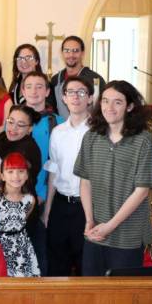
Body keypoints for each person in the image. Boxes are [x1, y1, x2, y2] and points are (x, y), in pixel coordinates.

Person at [74, 81, 152, 276]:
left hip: (127, 235)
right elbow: (85, 181)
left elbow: (142, 190)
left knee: (121, 299)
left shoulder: (143, 141)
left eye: (117, 102)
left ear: (129, 106)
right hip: (95, 231)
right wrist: (89, 220)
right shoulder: (92, 137)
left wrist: (110, 226)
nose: (109, 108)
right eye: (105, 101)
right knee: (92, 292)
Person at [43, 76, 93, 276]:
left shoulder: (98, 131)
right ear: (63, 98)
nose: (76, 97)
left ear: (90, 98)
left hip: (87, 207)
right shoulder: (57, 131)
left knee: (85, 264)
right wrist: (47, 210)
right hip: (61, 205)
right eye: (70, 92)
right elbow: (54, 172)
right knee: (56, 264)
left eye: (81, 92)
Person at [0, 105, 45, 272]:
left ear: (29, 129)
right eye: (10, 121)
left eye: (20, 125)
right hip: (3, 214)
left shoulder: (28, 148)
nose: (13, 128)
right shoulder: (4, 139)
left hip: (21, 216)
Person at [0, 152, 40, 277]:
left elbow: (23, 220)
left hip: (21, 250)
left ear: (26, 175)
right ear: (2, 176)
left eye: (20, 171)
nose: (16, 176)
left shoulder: (30, 200)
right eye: (10, 171)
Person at [22, 72, 64, 201]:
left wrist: (43, 193)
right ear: (23, 92)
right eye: (29, 86)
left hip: (47, 193)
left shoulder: (58, 123)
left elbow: (61, 163)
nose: (33, 91)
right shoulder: (13, 120)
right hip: (17, 191)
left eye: (39, 87)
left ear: (47, 92)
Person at [50, 36, 106, 119]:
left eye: (75, 51)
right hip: (63, 128)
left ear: (82, 53)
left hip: (89, 128)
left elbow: (102, 109)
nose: (71, 55)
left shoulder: (95, 80)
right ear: (62, 53)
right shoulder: (56, 80)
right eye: (67, 51)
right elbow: (53, 109)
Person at [9, 43, 57, 109]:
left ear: (36, 61)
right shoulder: (14, 85)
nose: (24, 62)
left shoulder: (45, 84)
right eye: (20, 58)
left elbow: (50, 110)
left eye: (28, 58)